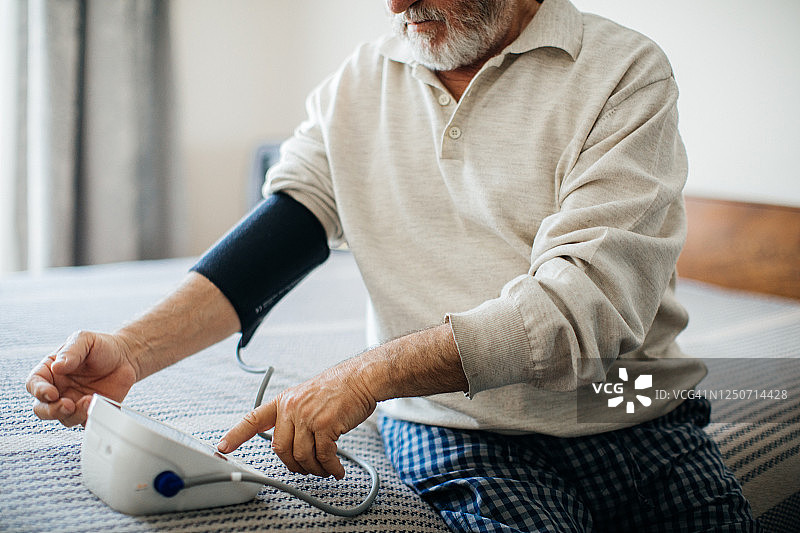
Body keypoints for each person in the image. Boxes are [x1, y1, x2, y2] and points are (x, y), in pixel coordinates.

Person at [27, 0, 758, 531]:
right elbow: (284, 229)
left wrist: (365, 373)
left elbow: (583, 310)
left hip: (632, 404)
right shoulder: (357, 83)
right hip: (451, 417)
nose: (396, 4)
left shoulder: (624, 72)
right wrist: (131, 349)